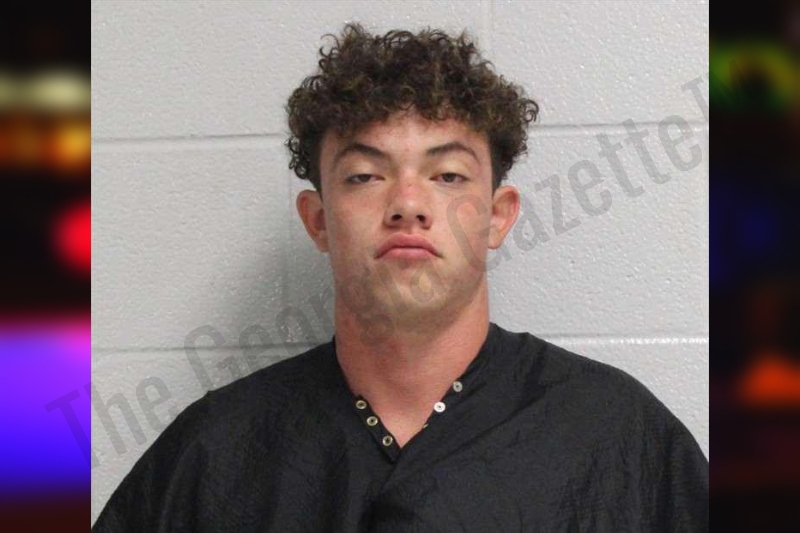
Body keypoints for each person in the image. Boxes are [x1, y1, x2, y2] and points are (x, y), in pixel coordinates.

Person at [93, 23, 708, 532]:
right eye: (365, 176)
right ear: (318, 220)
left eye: (448, 176)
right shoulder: (218, 453)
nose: (408, 204)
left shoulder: (616, 436)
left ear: (497, 216)